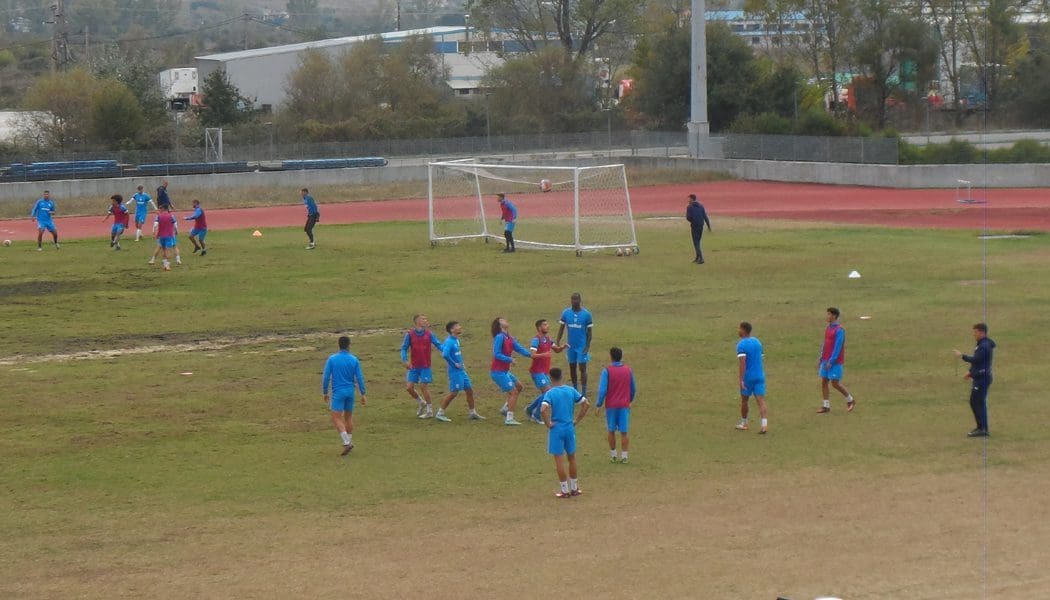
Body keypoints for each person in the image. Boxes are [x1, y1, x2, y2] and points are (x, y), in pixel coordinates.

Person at [540, 367, 590, 498]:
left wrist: (548, 424)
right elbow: (586, 404)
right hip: (569, 427)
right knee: (572, 458)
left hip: (557, 429)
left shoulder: (550, 393)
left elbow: (543, 409)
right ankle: (574, 488)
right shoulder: (570, 390)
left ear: (550, 378)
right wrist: (577, 420)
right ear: (561, 376)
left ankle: (564, 490)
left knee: (559, 460)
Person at [322, 335, 367, 456]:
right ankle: (349, 441)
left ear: (339, 345)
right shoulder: (354, 359)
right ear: (349, 345)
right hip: (350, 392)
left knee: (336, 417)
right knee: (348, 417)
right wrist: (363, 393)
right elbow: (359, 378)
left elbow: (326, 377)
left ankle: (347, 442)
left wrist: (325, 392)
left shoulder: (332, 359)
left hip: (338, 392)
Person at [435, 321, 485, 422]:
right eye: (457, 326)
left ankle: (472, 413)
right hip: (455, 372)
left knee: (469, 390)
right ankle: (440, 413)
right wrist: (454, 364)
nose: (460, 327)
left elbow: (455, 354)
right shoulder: (450, 341)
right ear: (452, 330)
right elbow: (445, 354)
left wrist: (461, 364)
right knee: (454, 392)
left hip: (461, 370)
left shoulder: (456, 340)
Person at [954, 323, 996, 437]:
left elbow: (976, 359)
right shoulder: (983, 344)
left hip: (982, 378)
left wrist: (962, 356)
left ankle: (982, 429)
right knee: (978, 402)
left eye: (975, 332)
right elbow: (979, 363)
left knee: (976, 402)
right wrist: (971, 372)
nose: (974, 334)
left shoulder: (984, 346)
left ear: (981, 332)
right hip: (980, 377)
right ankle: (982, 427)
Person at [596, 347, 636, 463]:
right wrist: (629, 400)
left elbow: (602, 390)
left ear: (611, 357)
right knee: (624, 431)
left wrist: (599, 404)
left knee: (611, 430)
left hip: (611, 406)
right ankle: (624, 456)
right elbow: (633, 389)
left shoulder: (607, 371)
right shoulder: (628, 370)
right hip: (624, 405)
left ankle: (613, 455)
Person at [400, 314, 443, 419]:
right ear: (417, 322)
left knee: (423, 386)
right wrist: (405, 360)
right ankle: (421, 402)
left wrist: (446, 351)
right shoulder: (410, 334)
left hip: (425, 366)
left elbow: (438, 344)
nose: (425, 320)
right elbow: (404, 348)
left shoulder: (429, 334)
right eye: (423, 319)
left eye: (425, 319)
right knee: (409, 388)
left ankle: (429, 411)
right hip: (414, 366)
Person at [491, 317, 532, 425]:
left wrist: (531, 355)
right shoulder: (500, 337)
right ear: (499, 325)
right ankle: (509, 418)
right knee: (513, 392)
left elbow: (519, 348)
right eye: (502, 320)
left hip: (504, 371)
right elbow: (496, 354)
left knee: (519, 387)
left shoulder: (509, 337)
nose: (505, 320)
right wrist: (510, 359)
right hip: (498, 371)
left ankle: (506, 408)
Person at [525, 319, 566, 424]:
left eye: (547, 324)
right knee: (548, 392)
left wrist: (562, 347)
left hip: (544, 371)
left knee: (546, 392)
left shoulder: (548, 339)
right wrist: (544, 354)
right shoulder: (536, 340)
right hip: (537, 371)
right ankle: (536, 415)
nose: (547, 326)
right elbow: (532, 355)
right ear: (539, 328)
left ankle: (530, 409)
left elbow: (556, 349)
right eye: (545, 325)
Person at [817, 307, 855, 413]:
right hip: (825, 359)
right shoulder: (828, 328)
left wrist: (831, 361)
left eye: (829, 314)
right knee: (824, 381)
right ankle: (826, 406)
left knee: (835, 383)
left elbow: (838, 347)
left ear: (834, 316)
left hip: (834, 362)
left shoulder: (839, 330)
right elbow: (825, 343)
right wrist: (821, 357)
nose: (827, 316)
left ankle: (850, 400)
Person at [556, 292, 593, 397]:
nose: (574, 301)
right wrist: (558, 341)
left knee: (582, 368)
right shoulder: (566, 313)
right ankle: (576, 390)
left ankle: (584, 392)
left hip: (581, 346)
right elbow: (561, 328)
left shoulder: (586, 314)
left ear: (580, 300)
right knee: (572, 368)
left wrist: (587, 346)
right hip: (570, 346)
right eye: (572, 299)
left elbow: (590, 333)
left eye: (576, 299)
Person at [735, 321, 768, 434]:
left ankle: (744, 423)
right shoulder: (757, 342)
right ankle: (764, 425)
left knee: (744, 400)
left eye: (739, 328)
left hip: (748, 377)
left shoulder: (741, 345)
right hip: (759, 375)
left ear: (743, 330)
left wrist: (741, 379)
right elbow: (761, 358)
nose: (738, 330)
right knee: (761, 401)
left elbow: (742, 363)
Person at [149, 206, 181, 270]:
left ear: (163, 209)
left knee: (163, 250)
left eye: (160, 209)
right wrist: (176, 231)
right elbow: (175, 225)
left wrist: (154, 233)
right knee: (168, 250)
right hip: (169, 235)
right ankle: (168, 265)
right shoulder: (171, 216)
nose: (159, 210)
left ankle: (165, 265)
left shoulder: (159, 216)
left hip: (161, 236)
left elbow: (155, 225)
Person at [686, 193, 712, 264]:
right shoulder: (701, 206)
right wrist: (709, 226)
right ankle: (697, 257)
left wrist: (693, 220)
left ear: (692, 199)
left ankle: (701, 258)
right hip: (701, 226)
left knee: (696, 242)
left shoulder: (689, 207)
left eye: (689, 199)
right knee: (698, 241)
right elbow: (705, 216)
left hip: (694, 226)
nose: (688, 200)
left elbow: (688, 218)